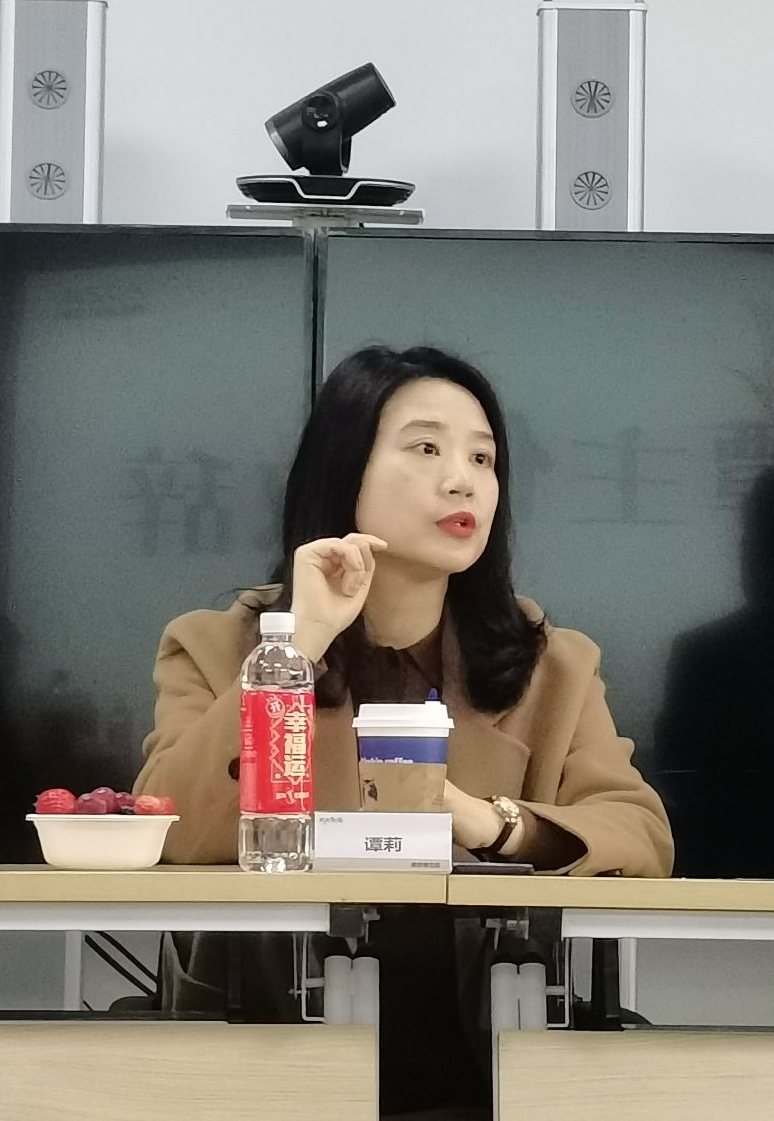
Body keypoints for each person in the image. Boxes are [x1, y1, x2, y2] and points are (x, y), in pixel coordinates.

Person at [138, 344, 670, 1113]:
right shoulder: (216, 648)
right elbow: (174, 832)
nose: (463, 480)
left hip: (492, 1071)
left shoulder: (553, 666)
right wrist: (296, 649)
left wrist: (490, 823)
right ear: (343, 472)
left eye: (482, 458)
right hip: (266, 1065)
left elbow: (641, 836)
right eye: (425, 449)